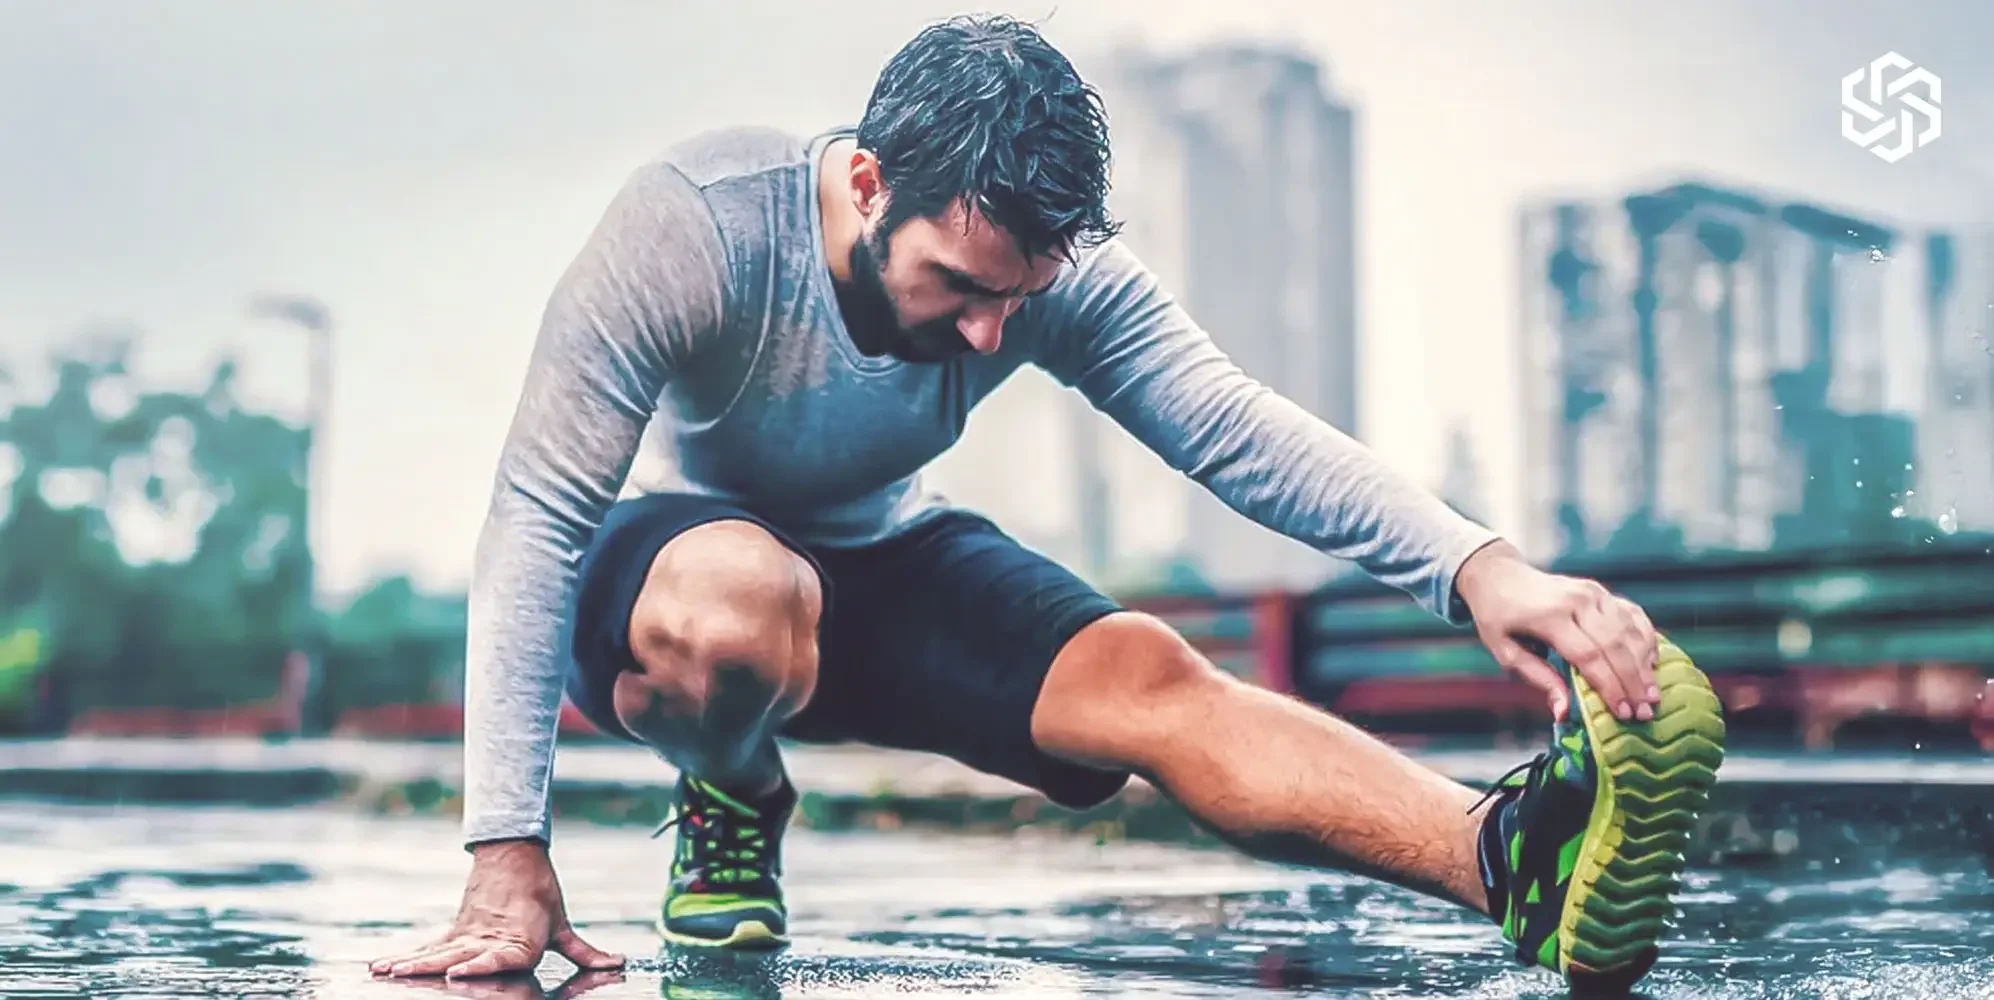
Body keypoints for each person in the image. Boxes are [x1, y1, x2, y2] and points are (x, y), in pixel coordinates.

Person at [368, 13, 1725, 991]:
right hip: (671, 579)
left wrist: (1480, 569)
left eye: (1014, 301)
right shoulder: (697, 223)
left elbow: (1233, 429)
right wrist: (506, 849)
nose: (984, 337)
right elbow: (538, 513)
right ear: (863, 183)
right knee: (744, 598)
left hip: (886, 554)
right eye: (958, 287)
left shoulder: (1041, 276)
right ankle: (732, 798)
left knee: (1149, 674)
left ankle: (1508, 864)